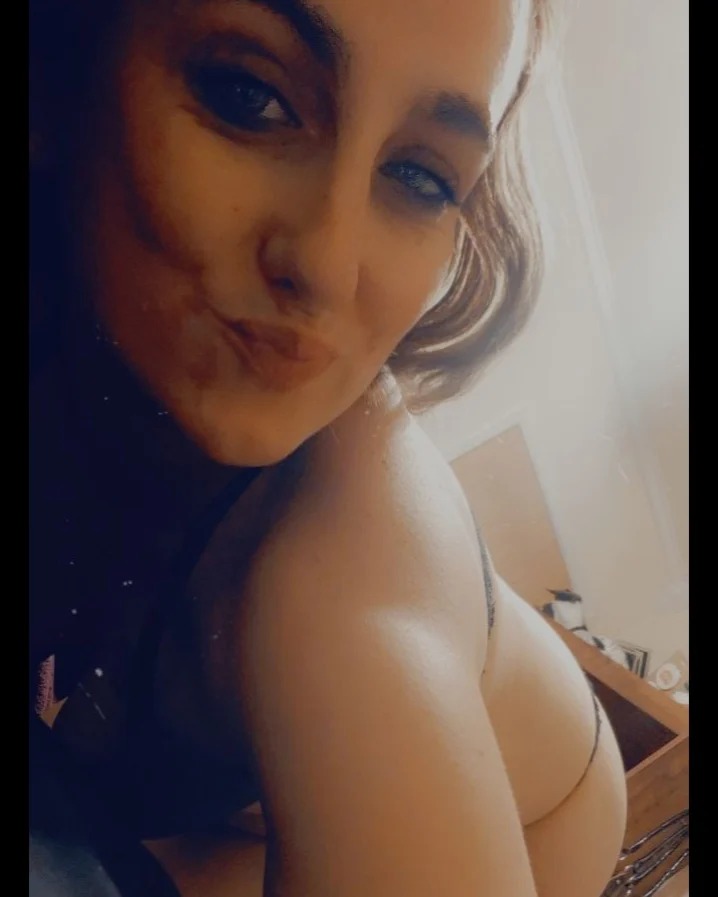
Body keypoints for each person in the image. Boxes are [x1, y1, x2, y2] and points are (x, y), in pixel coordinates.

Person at [29, 0, 627, 895]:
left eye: (421, 177)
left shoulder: (332, 573)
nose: (327, 263)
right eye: (249, 96)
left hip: (539, 824)